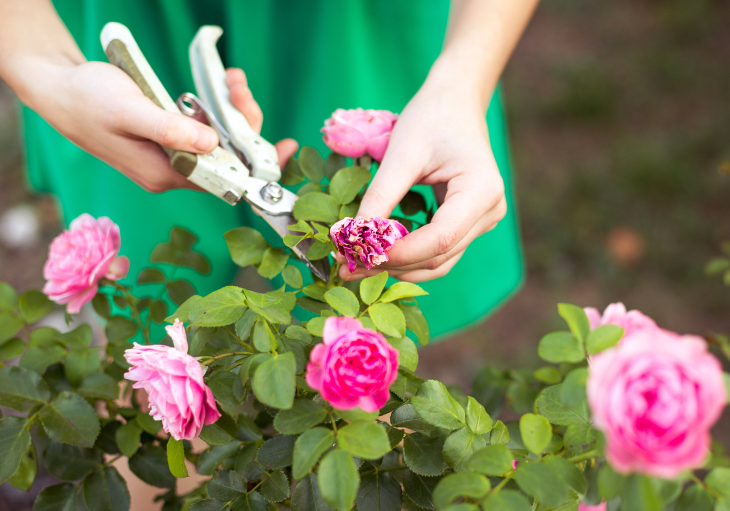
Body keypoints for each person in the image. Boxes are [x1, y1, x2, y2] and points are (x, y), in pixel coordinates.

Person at [0, 0, 537, 340]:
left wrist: (460, 85)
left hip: (351, 28)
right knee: (151, 339)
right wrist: (45, 71)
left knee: (361, 339)